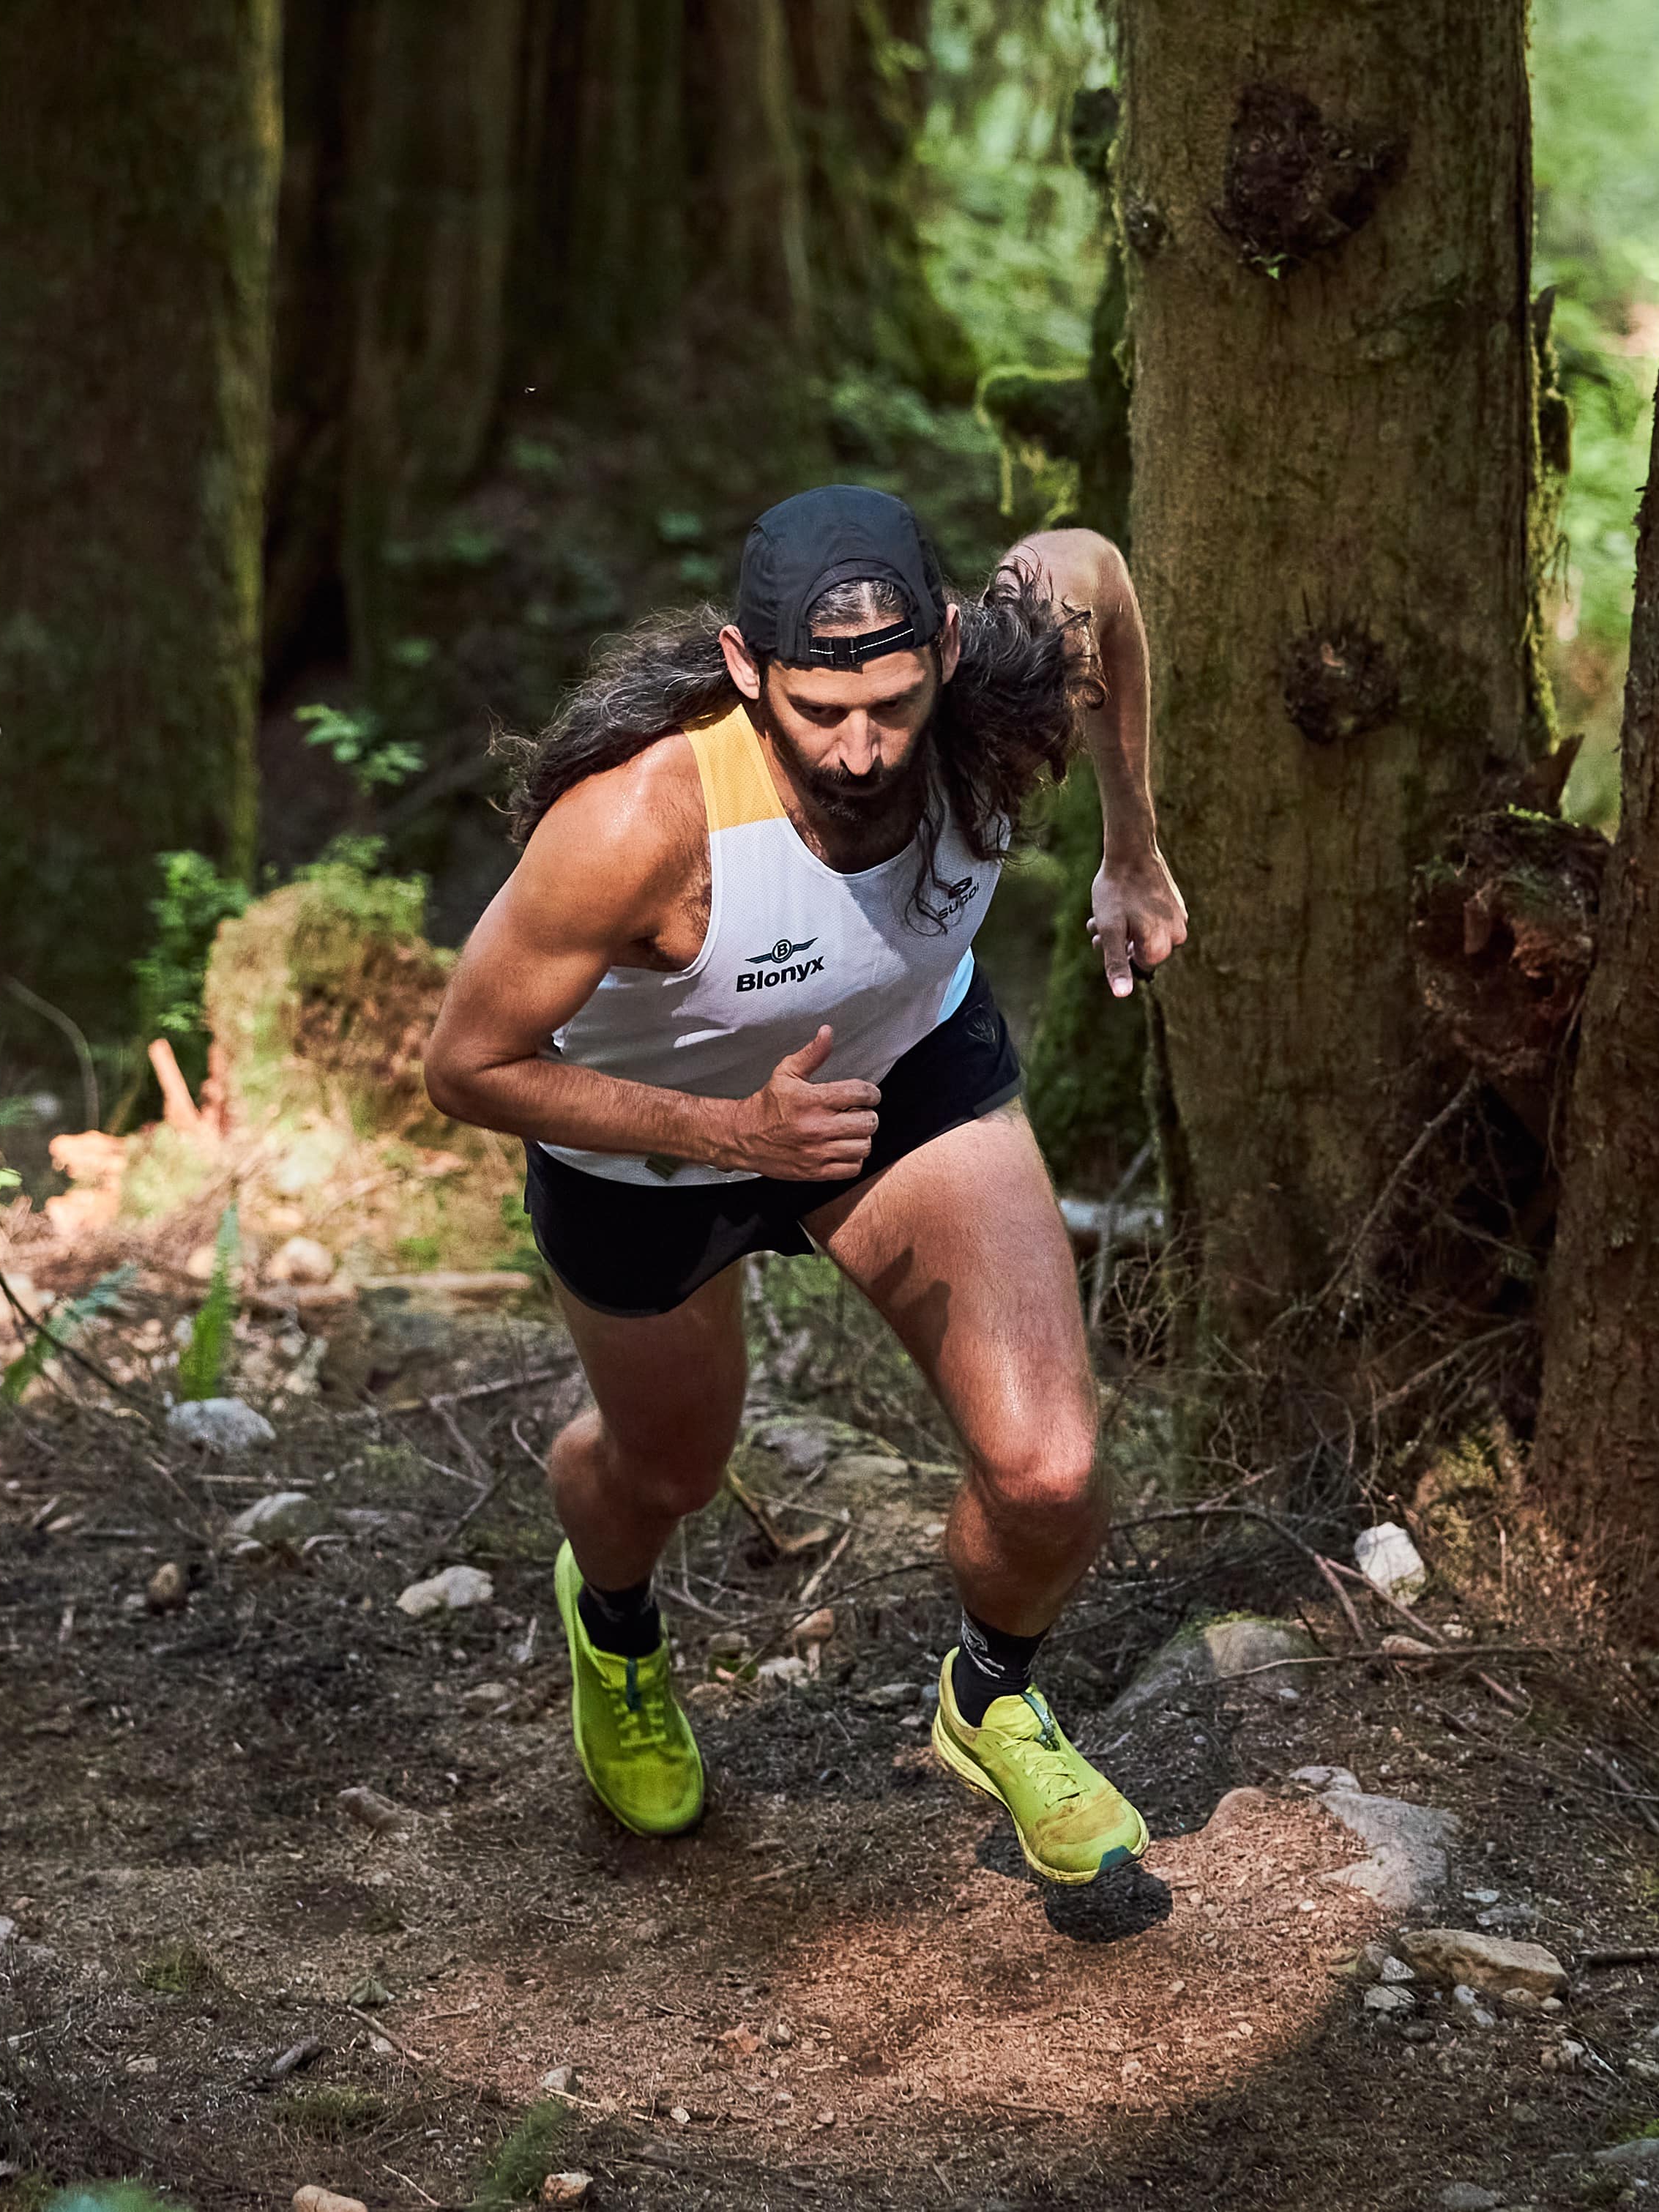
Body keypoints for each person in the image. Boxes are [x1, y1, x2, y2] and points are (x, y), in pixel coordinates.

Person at [423, 485, 1186, 1881]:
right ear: (741, 667)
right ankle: (616, 1626)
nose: (858, 749)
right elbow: (467, 1065)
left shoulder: (1004, 676)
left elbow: (1102, 573)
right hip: (645, 1145)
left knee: (1052, 1475)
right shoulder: (641, 820)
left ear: (949, 646)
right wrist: (732, 1141)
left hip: (902, 1068)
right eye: (817, 710)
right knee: (667, 1470)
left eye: (892, 703)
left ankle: (991, 1696)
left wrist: (1130, 846)